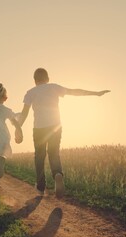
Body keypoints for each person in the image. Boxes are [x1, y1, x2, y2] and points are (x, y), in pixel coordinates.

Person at [18, 68, 110, 198]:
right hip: (55, 126)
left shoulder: (30, 92)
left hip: (39, 128)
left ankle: (40, 188)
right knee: (54, 153)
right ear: (47, 79)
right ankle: (57, 174)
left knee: (39, 157)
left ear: (34, 81)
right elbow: (75, 92)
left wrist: (18, 128)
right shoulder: (54, 87)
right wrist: (96, 93)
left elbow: (24, 113)